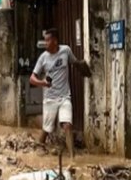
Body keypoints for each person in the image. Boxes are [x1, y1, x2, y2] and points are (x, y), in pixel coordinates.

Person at [29, 28, 90, 159]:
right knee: (47, 129)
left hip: (64, 97)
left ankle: (72, 157)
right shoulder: (43, 58)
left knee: (67, 125)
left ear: (55, 41)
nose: (45, 43)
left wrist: (83, 68)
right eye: (44, 41)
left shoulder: (66, 51)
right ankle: (39, 147)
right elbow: (32, 78)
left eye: (48, 40)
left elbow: (74, 62)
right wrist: (43, 83)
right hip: (50, 98)